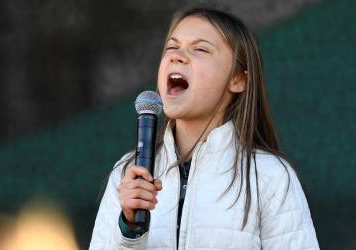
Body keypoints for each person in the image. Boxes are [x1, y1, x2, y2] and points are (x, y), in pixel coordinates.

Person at [89, 6, 319, 250]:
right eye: (171, 47)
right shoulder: (128, 174)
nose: (177, 56)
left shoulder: (269, 176)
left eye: (199, 49)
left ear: (238, 79)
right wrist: (129, 228)